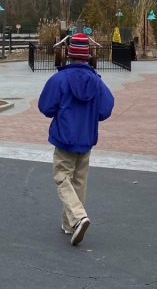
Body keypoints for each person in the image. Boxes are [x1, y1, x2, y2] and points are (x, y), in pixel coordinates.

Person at [37, 33, 114, 246]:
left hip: (64, 137)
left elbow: (45, 107)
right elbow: (106, 109)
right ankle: (70, 223)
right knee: (79, 181)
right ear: (87, 55)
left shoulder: (59, 79)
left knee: (62, 178)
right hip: (86, 137)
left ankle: (78, 217)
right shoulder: (97, 82)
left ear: (69, 54)